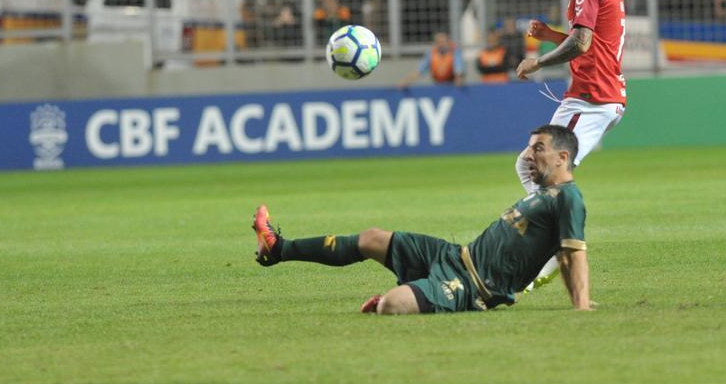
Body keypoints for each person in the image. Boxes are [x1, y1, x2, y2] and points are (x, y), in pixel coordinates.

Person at [251, 125, 591, 313]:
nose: (530, 155)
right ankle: (277, 248)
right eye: (530, 147)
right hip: (457, 256)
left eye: (538, 148)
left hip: (475, 286)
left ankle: (400, 298)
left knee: (391, 307)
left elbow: (572, 254)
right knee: (371, 238)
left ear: (563, 157)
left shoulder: (569, 198)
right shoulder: (541, 192)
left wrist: (582, 306)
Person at [514, 0, 626, 289]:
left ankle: (553, 249)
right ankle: (554, 243)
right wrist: (549, 35)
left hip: (591, 98)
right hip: (596, 95)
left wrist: (538, 61)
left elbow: (581, 44)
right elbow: (593, 40)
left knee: (538, 167)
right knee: (534, 166)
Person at [399, 31, 465, 87]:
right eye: (439, 42)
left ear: (448, 42)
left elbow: (458, 69)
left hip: (452, 84)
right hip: (437, 84)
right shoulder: (431, 53)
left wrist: (458, 78)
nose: (441, 45)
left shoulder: (454, 52)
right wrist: (406, 81)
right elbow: (419, 70)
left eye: (443, 42)